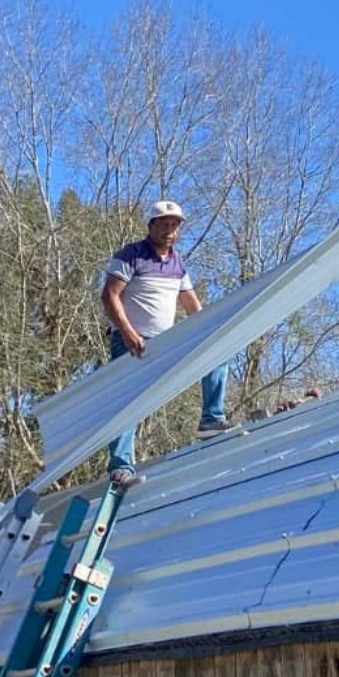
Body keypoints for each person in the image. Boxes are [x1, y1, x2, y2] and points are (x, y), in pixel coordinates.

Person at [100, 199, 233, 486]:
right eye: (164, 225)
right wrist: (127, 332)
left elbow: (190, 301)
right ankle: (121, 466)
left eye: (174, 226)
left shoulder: (177, 263)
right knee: (127, 401)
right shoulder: (131, 255)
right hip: (132, 341)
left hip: (166, 341)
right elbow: (109, 295)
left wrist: (208, 330)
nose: (169, 231)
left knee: (217, 353)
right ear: (151, 225)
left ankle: (211, 418)